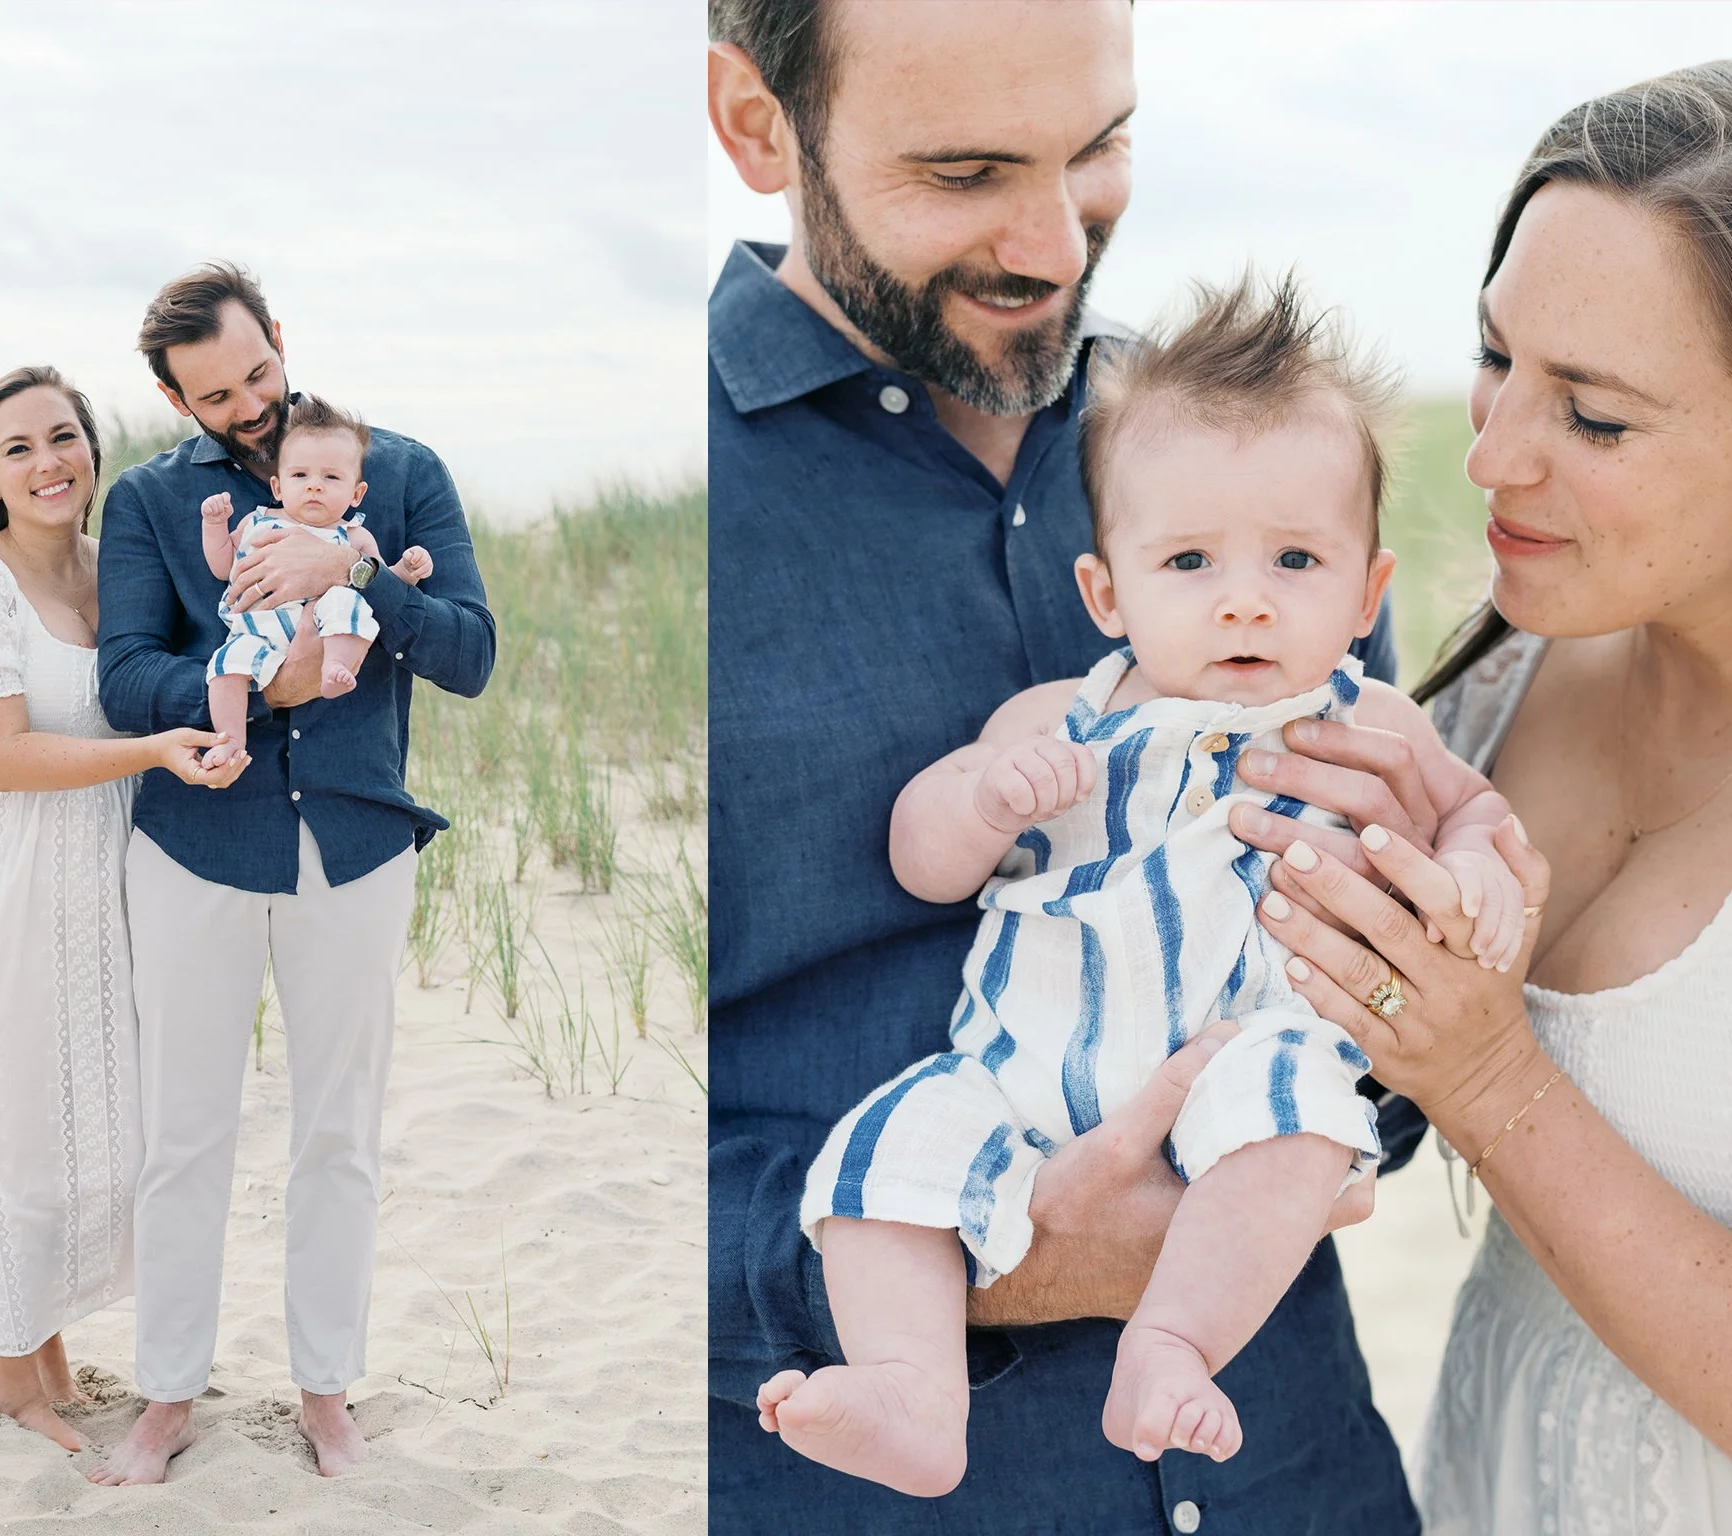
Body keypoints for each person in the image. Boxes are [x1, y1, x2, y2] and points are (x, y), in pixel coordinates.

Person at [707, 3, 1424, 1528]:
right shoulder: (695, 502)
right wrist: (998, 1264)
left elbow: (1397, 982)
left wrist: (1389, 1054)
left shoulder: (1248, 457)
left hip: (1296, 1474)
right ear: (760, 126)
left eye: (1099, 147)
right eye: (966, 171)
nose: (1054, 242)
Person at [756, 277, 1524, 1497]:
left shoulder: (1360, 717)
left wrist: (1479, 859)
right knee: (881, 1156)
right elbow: (920, 853)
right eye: (1187, 559)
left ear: (1365, 594)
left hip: (1236, 1051)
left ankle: (1172, 1342)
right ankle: (912, 1396)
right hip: (1013, 1071)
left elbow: (1469, 806)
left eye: (1293, 558)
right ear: (1105, 593)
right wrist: (985, 800)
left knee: (1298, 1120)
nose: (1242, 595)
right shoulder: (1048, 721)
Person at [1238, 63, 1732, 1534]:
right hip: (1494, 1466)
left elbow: (1477, 1071)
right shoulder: (1503, 680)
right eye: (1494, 355)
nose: (1491, 453)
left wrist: (1486, 1074)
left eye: (1592, 416)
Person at [87, 263, 494, 1484]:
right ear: (173, 398)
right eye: (216, 395)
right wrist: (254, 686)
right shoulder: (152, 500)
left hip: (357, 849)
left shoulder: (401, 472)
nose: (249, 406)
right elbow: (124, 675)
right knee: (185, 1136)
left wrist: (355, 577)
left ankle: (328, 1396)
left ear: (281, 340)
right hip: (193, 852)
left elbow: (470, 653)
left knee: (338, 1136)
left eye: (258, 373)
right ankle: (166, 1399)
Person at [0, 366, 241, 1452]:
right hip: (0, 873)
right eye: (18, 448)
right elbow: (4, 755)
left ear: (93, 448)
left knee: (86, 1125)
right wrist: (152, 748)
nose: (48, 462)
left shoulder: (112, 568)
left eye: (62, 437)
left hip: (98, 875)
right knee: (4, 1123)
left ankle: (52, 1357)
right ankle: (14, 1385)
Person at [199, 395, 433, 768]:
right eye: (300, 475)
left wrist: (407, 569)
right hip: (256, 631)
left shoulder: (353, 536)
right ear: (277, 487)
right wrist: (214, 526)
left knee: (348, 603)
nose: (314, 487)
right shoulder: (256, 521)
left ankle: (334, 667)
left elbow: (379, 580)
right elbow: (222, 565)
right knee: (225, 668)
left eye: (331, 477)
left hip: (323, 624)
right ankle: (229, 741)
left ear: (356, 494)